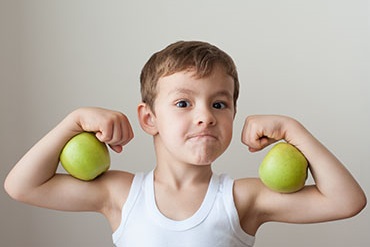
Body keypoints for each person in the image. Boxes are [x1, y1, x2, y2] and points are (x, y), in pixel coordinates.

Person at [4, 41, 366, 246]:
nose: (205, 116)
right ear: (149, 118)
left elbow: (347, 201)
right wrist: (73, 121)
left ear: (233, 116)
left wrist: (293, 130)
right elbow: (22, 186)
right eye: (183, 103)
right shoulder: (122, 194)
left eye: (219, 104)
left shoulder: (242, 199)